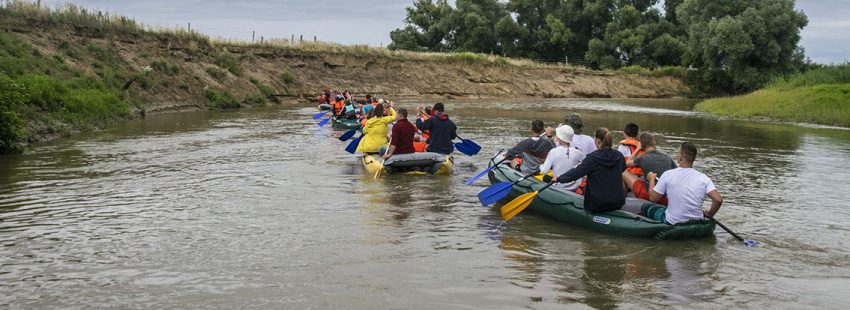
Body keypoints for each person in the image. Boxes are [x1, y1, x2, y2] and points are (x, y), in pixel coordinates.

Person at [642, 142, 723, 224]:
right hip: (697, 221)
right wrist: (709, 214)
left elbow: (653, 198)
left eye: (678, 153)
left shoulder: (668, 174)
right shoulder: (704, 178)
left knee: (645, 207)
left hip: (673, 221)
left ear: (680, 158)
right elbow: (718, 200)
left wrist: (651, 179)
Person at [553, 127, 626, 212]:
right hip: (618, 202)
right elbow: (623, 169)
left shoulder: (592, 158)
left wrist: (558, 178)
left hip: (597, 204)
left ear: (598, 140)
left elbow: (575, 174)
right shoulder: (619, 155)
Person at [621, 132, 676, 205]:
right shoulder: (668, 157)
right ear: (654, 143)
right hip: (665, 197)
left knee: (623, 171)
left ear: (642, 146)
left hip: (648, 194)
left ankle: (623, 200)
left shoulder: (642, 158)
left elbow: (627, 164)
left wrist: (637, 149)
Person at [539, 125, 586, 192]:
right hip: (575, 187)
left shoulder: (553, 151)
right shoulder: (579, 152)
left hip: (559, 186)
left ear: (559, 137)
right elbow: (586, 169)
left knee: (545, 177)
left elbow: (544, 171)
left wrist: (540, 166)